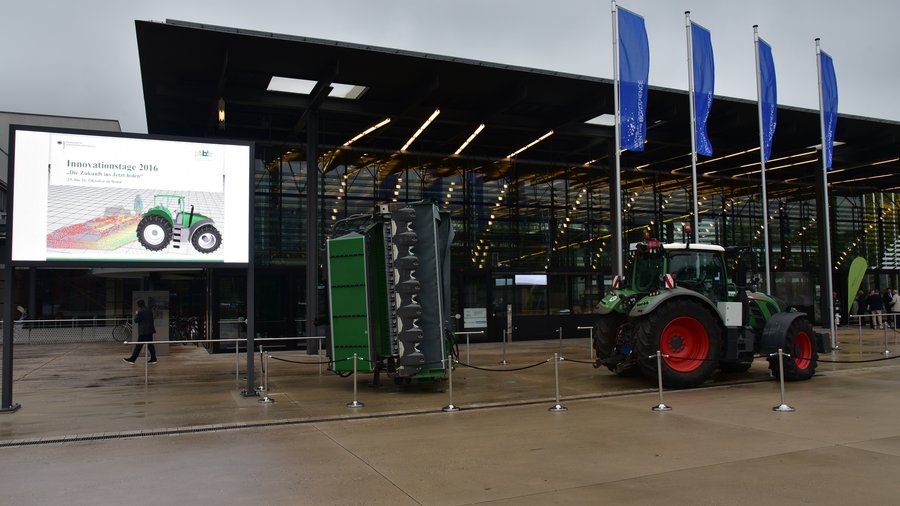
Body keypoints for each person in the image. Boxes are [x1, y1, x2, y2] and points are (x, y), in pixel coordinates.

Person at [124, 299, 157, 364]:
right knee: (150, 345)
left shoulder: (140, 311)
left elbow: (136, 320)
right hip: (150, 331)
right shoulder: (149, 310)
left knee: (138, 346)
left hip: (143, 332)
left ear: (139, 305)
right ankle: (153, 359)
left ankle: (132, 359)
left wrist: (136, 314)